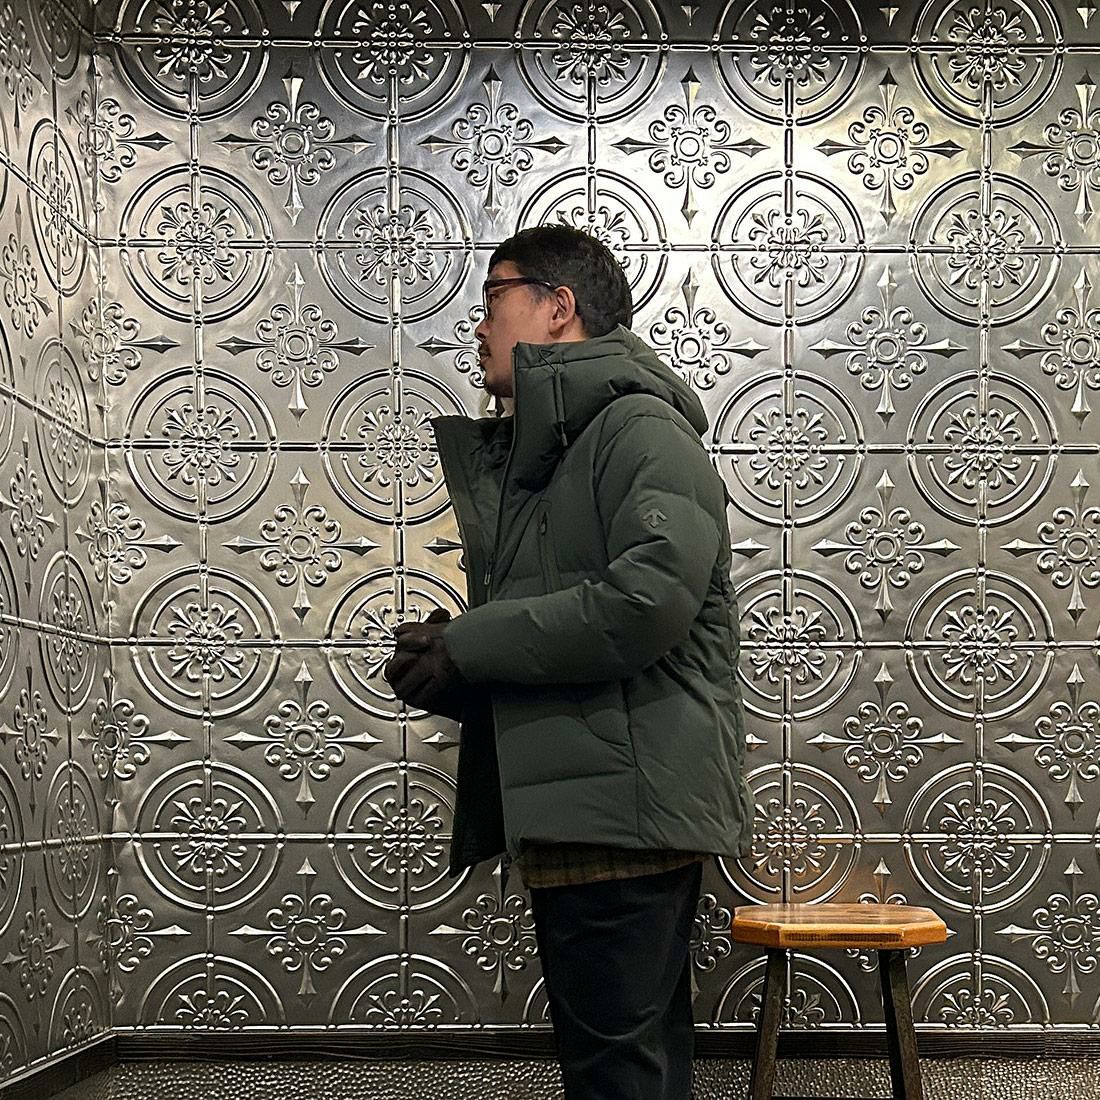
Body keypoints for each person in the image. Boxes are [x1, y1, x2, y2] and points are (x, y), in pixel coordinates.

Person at [383, 225, 752, 1100]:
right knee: (630, 1069)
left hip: (622, 815)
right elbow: (570, 639)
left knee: (616, 1075)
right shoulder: (565, 448)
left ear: (558, 307)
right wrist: (457, 672)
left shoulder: (637, 429)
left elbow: (644, 606)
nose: (478, 325)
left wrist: (472, 643)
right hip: (602, 804)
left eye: (493, 297)